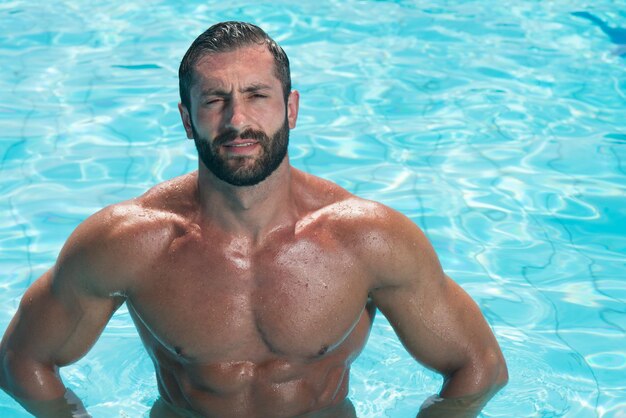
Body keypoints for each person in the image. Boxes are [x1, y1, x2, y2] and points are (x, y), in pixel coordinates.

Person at [0, 21, 508, 418]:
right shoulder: (131, 242)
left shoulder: (367, 239)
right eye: (215, 100)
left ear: (290, 108)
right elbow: (22, 361)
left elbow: (478, 368)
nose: (237, 120)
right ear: (186, 118)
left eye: (256, 96)